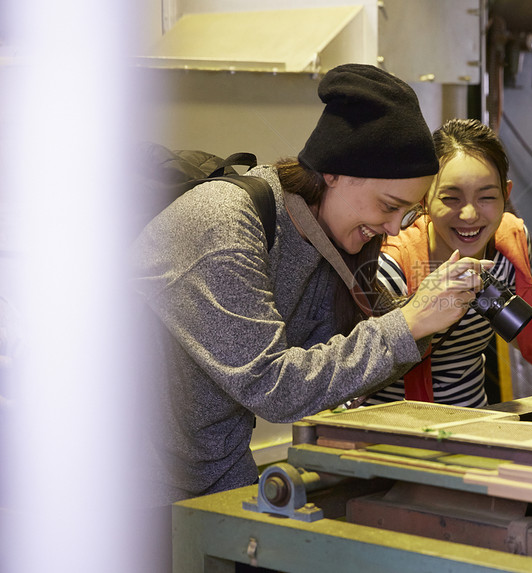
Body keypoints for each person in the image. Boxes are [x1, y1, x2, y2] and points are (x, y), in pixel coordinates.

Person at [130, 64, 491, 506]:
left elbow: (338, 363)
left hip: (213, 463)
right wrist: (411, 321)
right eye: (389, 206)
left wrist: (432, 312)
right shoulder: (223, 225)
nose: (395, 228)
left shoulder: (328, 238)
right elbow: (275, 388)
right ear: (335, 173)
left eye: (407, 212)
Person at [366, 118, 532, 407]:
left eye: (487, 196)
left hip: (474, 423)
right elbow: (353, 362)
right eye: (451, 198)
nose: (469, 215)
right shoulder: (390, 268)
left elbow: (515, 323)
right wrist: (418, 314)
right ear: (424, 198)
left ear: (506, 195)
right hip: (391, 431)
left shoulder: (508, 245)